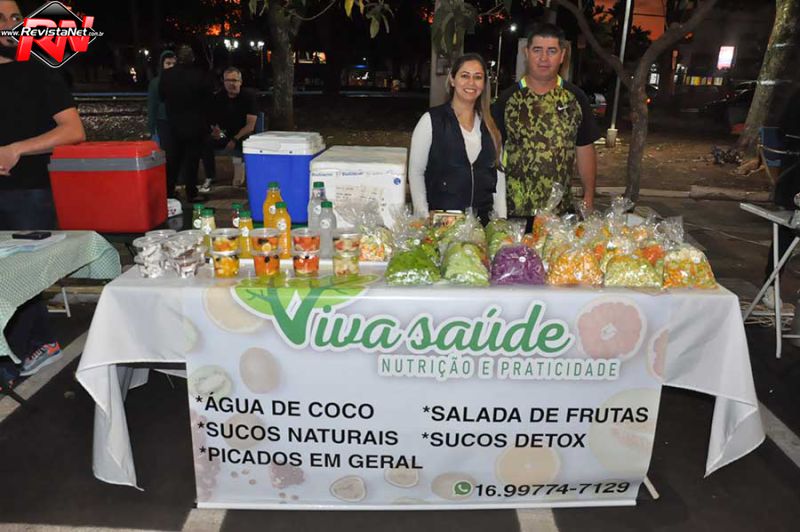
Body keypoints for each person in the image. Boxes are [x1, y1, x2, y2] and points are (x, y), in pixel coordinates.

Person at [0, 0, 86, 379]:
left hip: (29, 192)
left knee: (22, 275)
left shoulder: (39, 69)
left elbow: (74, 131)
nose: (9, 26)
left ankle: (25, 352)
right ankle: (30, 347)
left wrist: (17, 149)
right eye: (0, 19)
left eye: (15, 18)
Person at [492, 22, 601, 222]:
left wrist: (589, 197)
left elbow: (585, 149)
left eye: (551, 51)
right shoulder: (507, 100)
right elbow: (493, 151)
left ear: (562, 55)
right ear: (527, 53)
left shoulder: (575, 98)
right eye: (537, 50)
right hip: (514, 212)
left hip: (559, 214)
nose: (544, 58)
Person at [408, 53, 504, 224]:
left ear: (484, 84)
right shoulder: (431, 121)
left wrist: (501, 222)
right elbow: (416, 172)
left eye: (478, 77)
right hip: (442, 226)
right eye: (464, 76)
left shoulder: (491, 128)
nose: (471, 83)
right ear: (452, 80)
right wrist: (423, 217)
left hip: (483, 227)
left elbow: (499, 180)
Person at [760, 86, 800, 308]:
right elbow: (785, 132)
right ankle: (771, 285)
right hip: (794, 180)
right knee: (786, 232)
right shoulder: (797, 97)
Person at [159, 44, 213, 202]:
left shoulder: (167, 75)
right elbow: (207, 99)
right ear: (193, 58)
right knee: (192, 161)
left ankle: (169, 192)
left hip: (174, 124)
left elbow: (161, 96)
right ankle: (191, 193)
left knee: (173, 160)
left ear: (177, 59)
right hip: (195, 124)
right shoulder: (200, 75)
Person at [200, 66, 258, 192]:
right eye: (228, 80)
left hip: (242, 135)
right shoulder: (218, 97)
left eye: (235, 80)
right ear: (224, 82)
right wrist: (217, 131)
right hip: (225, 135)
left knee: (247, 142)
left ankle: (245, 176)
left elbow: (250, 126)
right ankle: (210, 177)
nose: (232, 84)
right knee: (206, 142)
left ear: (240, 82)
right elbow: (211, 121)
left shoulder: (248, 97)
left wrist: (235, 139)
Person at [146, 50, 176, 149]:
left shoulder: (181, 81)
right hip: (163, 121)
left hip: (179, 121)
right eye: (168, 63)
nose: (171, 66)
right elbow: (152, 106)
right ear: (162, 64)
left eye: (174, 64)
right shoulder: (155, 83)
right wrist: (151, 129)